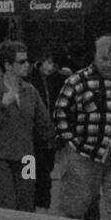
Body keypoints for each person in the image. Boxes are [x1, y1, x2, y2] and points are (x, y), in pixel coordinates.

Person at [54, 34, 111, 220]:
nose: (108, 64)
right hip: (84, 154)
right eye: (104, 59)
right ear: (95, 56)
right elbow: (61, 112)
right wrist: (71, 142)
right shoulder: (77, 81)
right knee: (75, 206)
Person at [0, 41, 54, 211]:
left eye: (27, 61)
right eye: (22, 62)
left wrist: (55, 140)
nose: (27, 65)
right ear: (8, 65)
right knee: (5, 206)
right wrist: (2, 105)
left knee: (27, 205)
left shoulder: (30, 91)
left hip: (27, 158)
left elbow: (44, 123)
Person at [26, 53, 69, 211]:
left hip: (47, 137)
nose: (51, 67)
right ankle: (29, 204)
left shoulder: (58, 80)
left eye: (55, 65)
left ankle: (41, 205)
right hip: (30, 138)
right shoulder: (30, 78)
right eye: (49, 63)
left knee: (45, 174)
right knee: (29, 175)